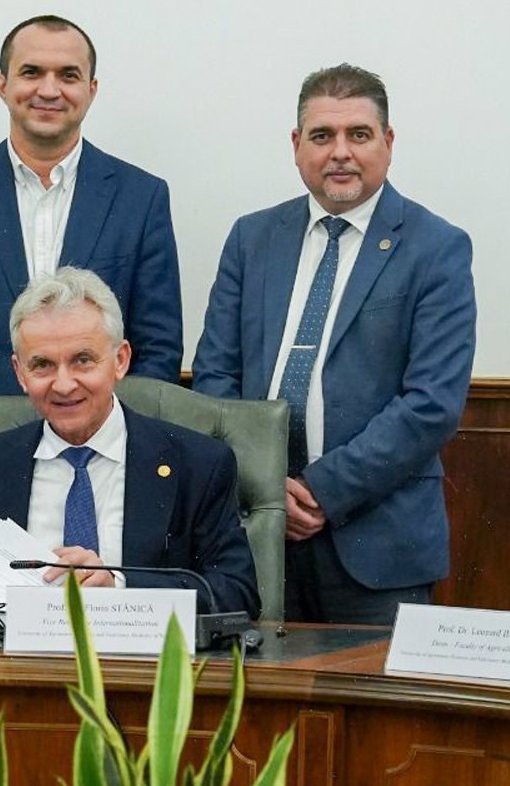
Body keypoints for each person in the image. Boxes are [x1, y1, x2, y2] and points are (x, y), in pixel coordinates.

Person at [192, 64, 475, 625]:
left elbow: (432, 403)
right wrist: (267, 485)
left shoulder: (436, 247)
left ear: (388, 144)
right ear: (297, 146)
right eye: (322, 136)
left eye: (359, 135)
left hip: (377, 541)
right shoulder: (252, 238)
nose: (340, 152)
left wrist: (320, 491)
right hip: (255, 527)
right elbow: (214, 379)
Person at [0, 267, 257, 619]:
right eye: (43, 365)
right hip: (12, 669)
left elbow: (237, 593)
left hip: (144, 671)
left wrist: (118, 588)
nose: (64, 384)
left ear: (121, 360)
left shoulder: (198, 465)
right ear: (20, 373)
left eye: (82, 360)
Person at [0, 15, 181, 433]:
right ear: (2, 85)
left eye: (68, 75)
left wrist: (104, 437)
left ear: (91, 90)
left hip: (108, 453)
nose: (49, 90)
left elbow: (158, 347)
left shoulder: (141, 197)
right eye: (31, 72)